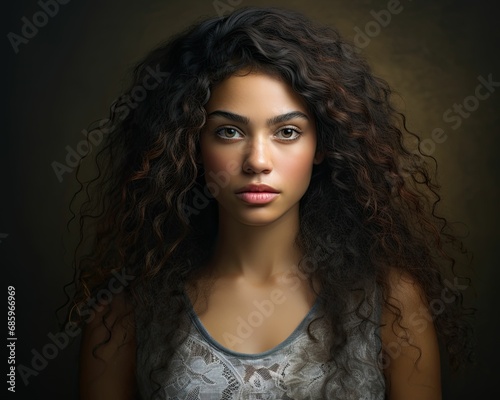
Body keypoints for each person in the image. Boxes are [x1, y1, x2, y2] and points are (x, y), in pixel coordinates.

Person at [67, 6, 475, 400]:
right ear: (190, 144)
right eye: (228, 131)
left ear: (322, 145)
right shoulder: (123, 311)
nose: (257, 161)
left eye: (287, 132)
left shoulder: (392, 301)